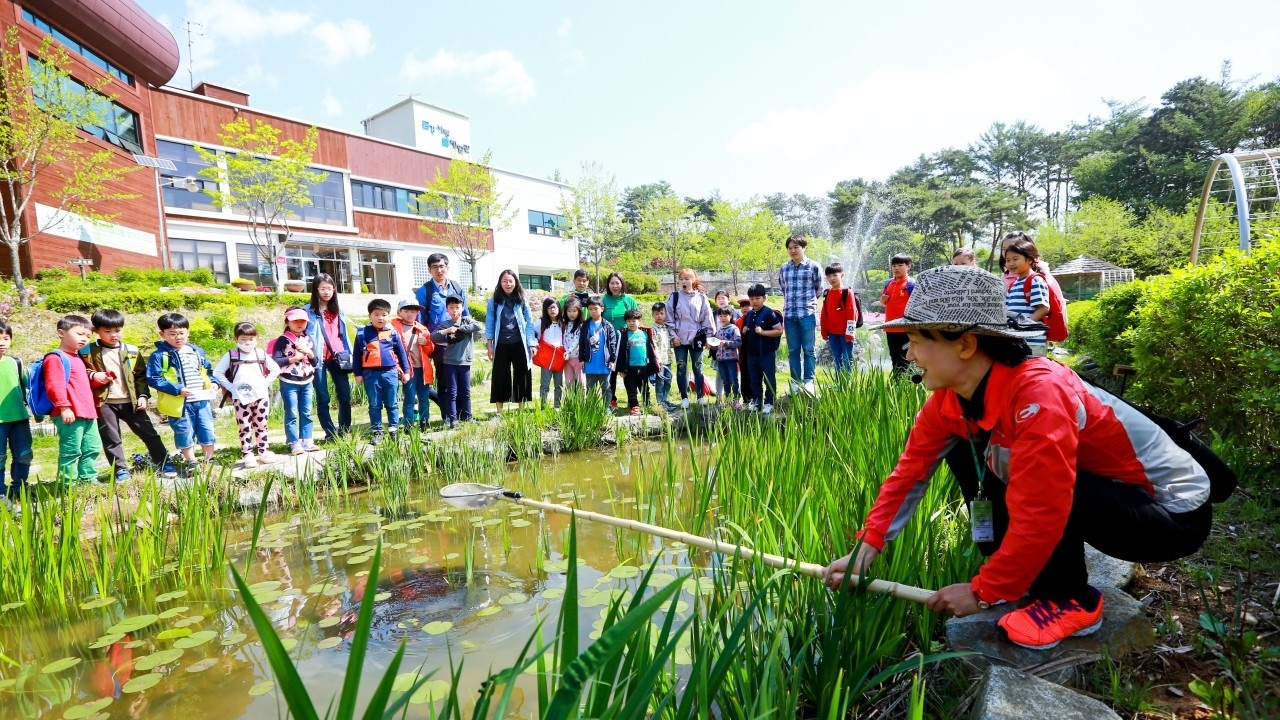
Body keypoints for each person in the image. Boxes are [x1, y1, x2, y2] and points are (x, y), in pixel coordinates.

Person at [823, 265, 1213, 650]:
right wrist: (867, 546)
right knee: (967, 448)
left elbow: (1044, 505)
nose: (907, 352)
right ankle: (1021, 576)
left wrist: (982, 592)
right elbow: (909, 474)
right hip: (1106, 495)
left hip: (1170, 515)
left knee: (1048, 487)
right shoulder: (948, 402)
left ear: (965, 344)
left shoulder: (1039, 395)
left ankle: (1072, 600)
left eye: (916, 339)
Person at [85, 309, 168, 481]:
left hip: (131, 401)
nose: (113, 335)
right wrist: (93, 376)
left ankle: (164, 462)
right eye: (107, 331)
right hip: (104, 402)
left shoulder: (131, 351)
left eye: (117, 330)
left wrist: (143, 396)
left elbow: (140, 376)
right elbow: (81, 372)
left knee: (148, 433)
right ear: (96, 331)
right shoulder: (87, 351)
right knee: (111, 438)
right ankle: (121, 470)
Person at [146, 312, 216, 465]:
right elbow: (153, 378)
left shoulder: (197, 351)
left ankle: (209, 460)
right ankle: (191, 461)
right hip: (179, 404)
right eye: (172, 334)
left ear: (188, 332)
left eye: (181, 333)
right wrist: (177, 389)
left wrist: (214, 382)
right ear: (162, 334)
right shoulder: (159, 355)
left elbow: (208, 371)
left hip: (202, 400)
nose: (178, 337)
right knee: (184, 431)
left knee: (207, 429)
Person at [212, 322, 281, 468]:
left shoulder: (260, 353)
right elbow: (217, 372)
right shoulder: (231, 355)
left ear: (256, 338)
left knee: (262, 425)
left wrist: (265, 383)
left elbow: (275, 369)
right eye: (243, 339)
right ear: (235, 339)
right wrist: (230, 387)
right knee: (244, 426)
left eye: (250, 339)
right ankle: (248, 455)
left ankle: (263, 452)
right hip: (240, 398)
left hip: (261, 396)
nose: (247, 342)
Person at [416, 252, 470, 412]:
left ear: (447, 267)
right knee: (446, 381)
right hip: (439, 344)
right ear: (429, 270)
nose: (439, 270)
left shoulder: (457, 287)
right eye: (435, 267)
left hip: (459, 342)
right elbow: (419, 321)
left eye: (442, 266)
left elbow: (466, 315)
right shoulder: (424, 291)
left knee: (461, 380)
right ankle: (448, 416)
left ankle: (462, 414)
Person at [354, 299, 410, 444]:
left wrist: (406, 371)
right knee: (374, 404)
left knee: (392, 403)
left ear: (388, 316)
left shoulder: (392, 333)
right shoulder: (362, 333)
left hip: (390, 373)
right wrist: (358, 374)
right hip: (370, 375)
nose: (380, 318)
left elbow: (401, 353)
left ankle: (393, 429)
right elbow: (356, 356)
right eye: (376, 314)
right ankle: (377, 431)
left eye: (384, 315)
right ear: (369, 316)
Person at [306, 274, 354, 442]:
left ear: (334, 289)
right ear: (316, 290)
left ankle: (345, 428)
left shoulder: (339, 311)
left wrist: (351, 355)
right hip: (317, 359)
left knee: (345, 395)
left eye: (329, 288)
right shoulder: (308, 311)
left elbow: (344, 335)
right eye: (322, 288)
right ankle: (330, 433)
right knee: (323, 397)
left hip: (339, 358)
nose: (326, 292)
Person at [485, 269, 537, 411]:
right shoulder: (494, 301)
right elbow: (489, 323)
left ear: (516, 283)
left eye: (510, 281)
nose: (508, 284)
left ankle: (521, 408)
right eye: (504, 281)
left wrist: (531, 343)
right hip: (501, 343)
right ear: (500, 283)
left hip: (519, 342)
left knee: (522, 374)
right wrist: (489, 346)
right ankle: (499, 411)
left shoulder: (521, 300)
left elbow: (530, 322)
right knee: (500, 375)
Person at [431, 295, 486, 428]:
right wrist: (447, 331)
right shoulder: (446, 324)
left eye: (457, 307)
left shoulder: (467, 320)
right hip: (450, 363)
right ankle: (453, 419)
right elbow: (434, 336)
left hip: (465, 363)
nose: (454, 310)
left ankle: (468, 416)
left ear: (462, 308)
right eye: (451, 308)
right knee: (452, 392)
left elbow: (478, 325)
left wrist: (461, 329)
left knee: (466, 392)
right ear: (447, 309)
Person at [778, 233, 822, 395]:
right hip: (790, 315)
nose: (793, 251)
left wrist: (807, 304)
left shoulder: (814, 266)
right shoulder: (784, 268)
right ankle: (795, 383)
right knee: (793, 351)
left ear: (804, 248)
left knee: (809, 349)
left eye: (796, 247)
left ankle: (809, 381)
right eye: (790, 248)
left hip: (807, 315)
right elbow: (784, 289)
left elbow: (819, 289)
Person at [270, 307, 318, 454]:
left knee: (307, 411)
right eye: (295, 321)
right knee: (291, 412)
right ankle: (294, 442)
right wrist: (294, 358)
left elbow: (315, 362)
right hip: (289, 381)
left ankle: (307, 440)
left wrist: (309, 353)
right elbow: (275, 361)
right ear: (287, 322)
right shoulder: (282, 340)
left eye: (302, 321)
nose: (299, 324)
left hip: (307, 380)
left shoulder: (308, 338)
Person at [668, 268, 717, 409]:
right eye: (681, 279)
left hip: (697, 338)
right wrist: (673, 336)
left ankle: (701, 396)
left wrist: (708, 337)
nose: (684, 281)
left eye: (687, 279)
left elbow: (707, 319)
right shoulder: (674, 296)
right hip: (680, 338)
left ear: (693, 280)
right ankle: (684, 397)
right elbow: (669, 318)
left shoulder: (701, 297)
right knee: (681, 367)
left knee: (698, 367)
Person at [0, 321, 32, 498]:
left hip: (19, 419)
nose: (2, 342)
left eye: (6, 338)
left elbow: (29, 389)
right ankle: (1, 493)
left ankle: (19, 488)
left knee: (24, 454)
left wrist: (38, 412)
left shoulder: (16, 363)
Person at [392, 300, 435, 430]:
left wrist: (426, 343)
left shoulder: (422, 329)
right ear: (399, 312)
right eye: (406, 311)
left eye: (413, 311)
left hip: (423, 369)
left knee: (424, 397)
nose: (410, 314)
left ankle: (424, 421)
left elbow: (430, 350)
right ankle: (408, 423)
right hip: (408, 369)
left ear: (417, 313)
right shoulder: (394, 328)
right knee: (409, 398)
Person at [1003, 238, 1050, 356]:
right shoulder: (1014, 284)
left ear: (1029, 260)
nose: (1011, 263)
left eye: (1015, 259)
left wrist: (1024, 325)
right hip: (1018, 340)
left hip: (1033, 341)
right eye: (1008, 260)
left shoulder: (1035, 280)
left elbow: (1043, 308)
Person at [741, 284, 783, 414]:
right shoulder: (748, 315)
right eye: (751, 299)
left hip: (766, 353)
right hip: (751, 353)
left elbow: (779, 331)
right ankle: (757, 401)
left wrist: (763, 332)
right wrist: (744, 330)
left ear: (764, 298)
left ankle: (770, 402)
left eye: (757, 298)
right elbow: (746, 332)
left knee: (769, 378)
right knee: (754, 379)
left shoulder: (770, 313)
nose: (754, 301)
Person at [600, 273, 638, 408]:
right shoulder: (604, 300)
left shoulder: (629, 300)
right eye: (612, 283)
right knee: (612, 372)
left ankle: (632, 400)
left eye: (617, 283)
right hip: (609, 342)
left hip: (627, 342)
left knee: (628, 371)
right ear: (608, 285)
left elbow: (637, 319)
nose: (615, 286)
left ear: (622, 283)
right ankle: (612, 399)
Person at [612, 308, 658, 416]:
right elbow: (621, 352)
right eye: (629, 321)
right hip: (630, 368)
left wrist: (653, 365)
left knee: (644, 387)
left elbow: (651, 351)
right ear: (626, 322)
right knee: (631, 388)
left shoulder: (645, 334)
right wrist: (621, 369)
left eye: (634, 320)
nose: (631, 323)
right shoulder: (624, 335)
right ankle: (634, 406)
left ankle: (647, 403)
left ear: (639, 321)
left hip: (643, 366)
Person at [820, 263, 860, 374]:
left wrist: (850, 333)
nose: (831, 278)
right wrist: (824, 331)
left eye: (834, 275)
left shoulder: (847, 292)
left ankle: (847, 385)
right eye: (829, 276)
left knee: (847, 359)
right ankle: (839, 383)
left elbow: (852, 313)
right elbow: (824, 313)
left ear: (842, 275)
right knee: (837, 358)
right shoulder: (827, 293)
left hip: (845, 332)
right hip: (832, 333)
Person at [880, 254, 915, 376]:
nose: (896, 268)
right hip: (890, 327)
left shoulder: (911, 284)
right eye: (894, 265)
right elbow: (885, 303)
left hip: (906, 328)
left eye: (900, 265)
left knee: (907, 356)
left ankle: (908, 383)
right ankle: (896, 381)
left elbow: (917, 305)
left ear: (908, 266)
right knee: (894, 355)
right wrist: (882, 300)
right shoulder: (888, 283)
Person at [579, 296, 618, 402]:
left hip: (604, 363)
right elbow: (581, 343)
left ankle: (607, 408)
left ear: (602, 308)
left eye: (595, 308)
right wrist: (581, 359)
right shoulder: (585, 325)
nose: (593, 311)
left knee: (606, 387)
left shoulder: (608, 326)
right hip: (590, 363)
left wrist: (612, 360)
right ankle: (592, 408)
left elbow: (613, 345)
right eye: (590, 309)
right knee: (590, 388)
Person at [537, 297, 565, 409]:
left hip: (559, 357)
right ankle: (543, 407)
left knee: (559, 384)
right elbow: (532, 333)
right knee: (545, 384)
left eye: (554, 307)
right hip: (546, 358)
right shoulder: (541, 322)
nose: (552, 310)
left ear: (559, 308)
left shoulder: (563, 322)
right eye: (549, 308)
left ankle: (557, 406)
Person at [649, 301, 675, 411]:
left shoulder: (667, 327)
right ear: (653, 315)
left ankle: (665, 399)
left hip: (668, 358)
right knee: (660, 382)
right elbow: (653, 345)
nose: (659, 316)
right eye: (656, 314)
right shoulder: (652, 329)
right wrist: (656, 359)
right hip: (659, 361)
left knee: (668, 380)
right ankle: (660, 403)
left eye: (661, 313)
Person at [714, 307, 742, 408]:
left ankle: (737, 400)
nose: (723, 318)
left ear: (730, 316)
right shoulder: (718, 331)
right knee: (725, 381)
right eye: (720, 316)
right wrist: (711, 345)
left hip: (731, 359)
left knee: (733, 380)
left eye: (725, 315)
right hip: (721, 360)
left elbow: (739, 342)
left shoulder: (734, 329)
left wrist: (726, 343)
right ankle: (728, 399)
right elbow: (716, 343)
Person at [562, 298, 586, 388]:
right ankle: (570, 402)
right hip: (567, 359)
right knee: (568, 383)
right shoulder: (564, 324)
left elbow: (577, 340)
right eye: (569, 311)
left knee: (581, 382)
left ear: (579, 311)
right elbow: (563, 339)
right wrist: (565, 352)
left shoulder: (581, 325)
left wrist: (568, 351)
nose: (571, 314)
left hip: (577, 358)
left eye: (574, 311)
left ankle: (582, 402)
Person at [736, 296, 754, 407]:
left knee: (754, 374)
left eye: (747, 305)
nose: (744, 308)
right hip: (742, 352)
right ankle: (746, 399)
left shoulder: (755, 318)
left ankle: (755, 397)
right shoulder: (738, 322)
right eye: (742, 306)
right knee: (744, 376)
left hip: (753, 351)